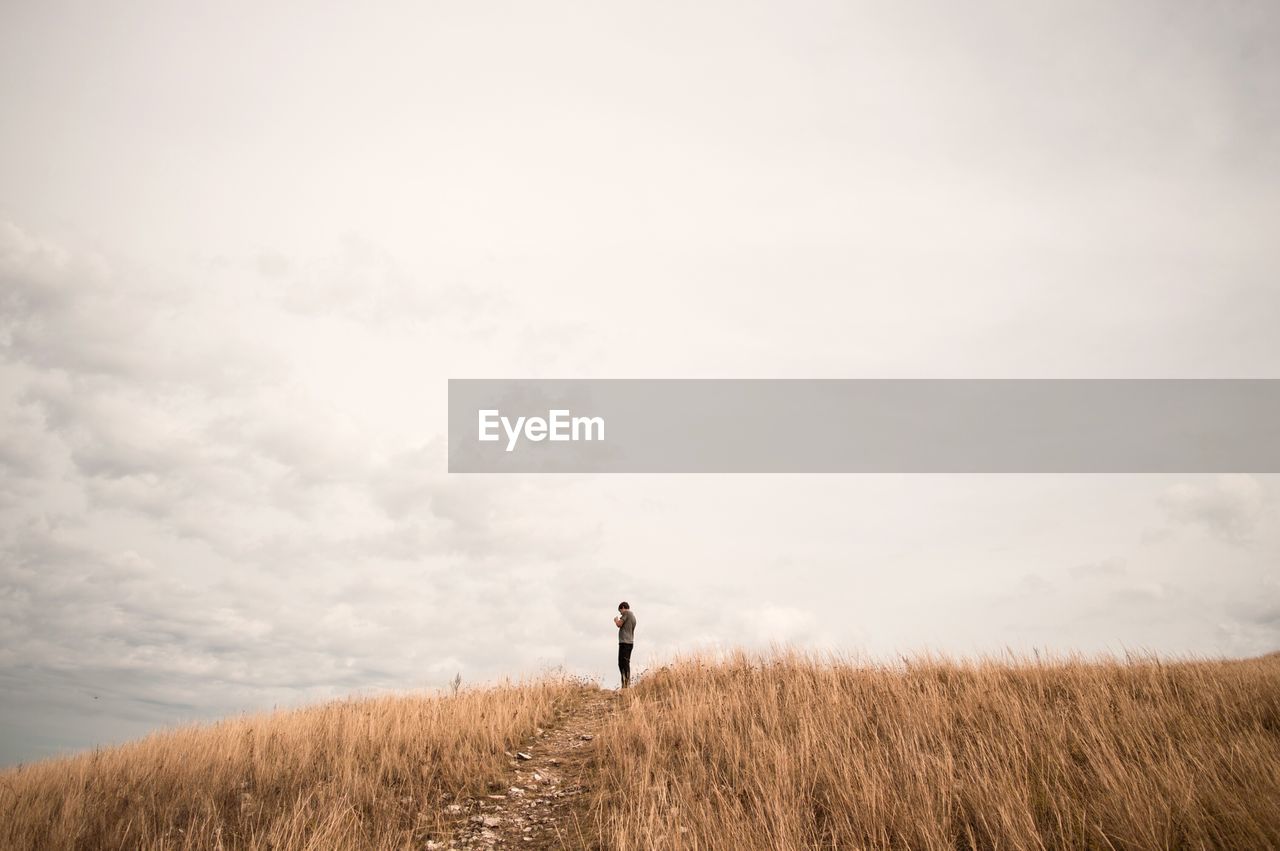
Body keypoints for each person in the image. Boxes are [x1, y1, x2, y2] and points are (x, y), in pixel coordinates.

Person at [613, 601, 636, 688]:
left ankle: (626, 684)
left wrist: (616, 620)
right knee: (625, 663)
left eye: (620, 611)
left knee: (622, 664)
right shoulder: (633, 616)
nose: (621, 613)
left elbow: (619, 624)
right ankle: (625, 683)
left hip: (624, 643)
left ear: (623, 608)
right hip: (629, 642)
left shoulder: (627, 613)